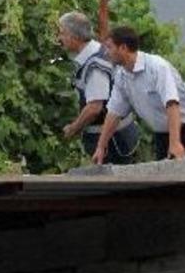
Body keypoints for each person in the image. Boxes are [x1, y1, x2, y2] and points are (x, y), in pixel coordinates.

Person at [92, 26, 185, 163]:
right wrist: (101, 147)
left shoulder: (157, 67)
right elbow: (114, 112)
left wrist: (175, 143)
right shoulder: (121, 75)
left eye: (109, 47)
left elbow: (172, 104)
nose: (106, 52)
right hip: (162, 133)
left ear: (123, 48)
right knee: (164, 179)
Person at [57, 12, 139, 163]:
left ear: (74, 36)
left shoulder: (95, 66)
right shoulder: (98, 51)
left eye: (62, 33)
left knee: (112, 184)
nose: (59, 39)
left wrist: (73, 128)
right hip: (118, 136)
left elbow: (95, 108)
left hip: (112, 141)